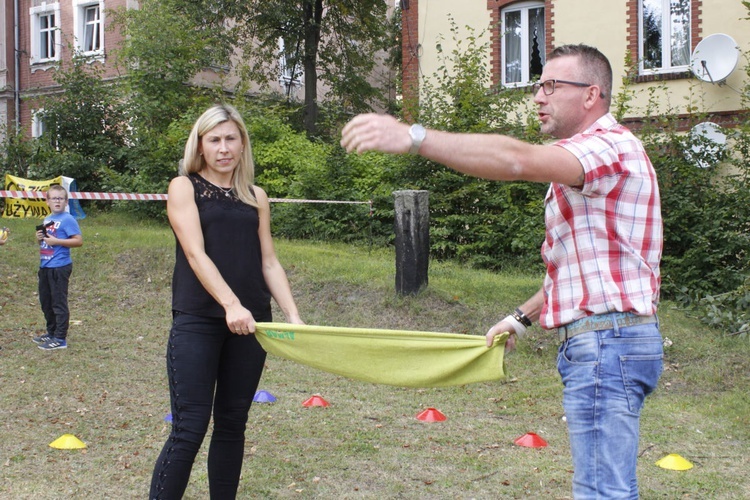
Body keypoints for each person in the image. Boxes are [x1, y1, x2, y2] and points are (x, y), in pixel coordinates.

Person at [341, 44, 663, 499]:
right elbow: (580, 274)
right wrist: (521, 317)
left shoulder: (609, 147)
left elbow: (515, 160)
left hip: (608, 344)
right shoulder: (591, 161)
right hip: (609, 341)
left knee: (602, 492)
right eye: (538, 85)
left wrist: (415, 137)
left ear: (592, 95)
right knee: (602, 486)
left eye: (552, 85)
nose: (538, 96)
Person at [150, 104, 304, 499]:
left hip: (251, 325)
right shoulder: (183, 187)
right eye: (214, 139)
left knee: (233, 422)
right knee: (190, 427)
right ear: (200, 145)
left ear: (242, 144)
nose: (223, 148)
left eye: (230, 138)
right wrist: (230, 305)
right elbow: (195, 253)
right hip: (199, 320)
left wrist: (293, 316)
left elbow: (268, 261)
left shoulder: (256, 196)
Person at [33, 185, 83, 351]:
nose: (57, 201)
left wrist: (57, 241)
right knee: (46, 302)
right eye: (53, 198)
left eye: (60, 198)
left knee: (58, 303)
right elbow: (46, 242)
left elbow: (78, 241)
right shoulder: (48, 219)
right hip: (45, 266)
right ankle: (51, 332)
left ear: (66, 201)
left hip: (59, 267)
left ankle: (60, 338)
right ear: (47, 201)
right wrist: (40, 238)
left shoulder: (68, 219)